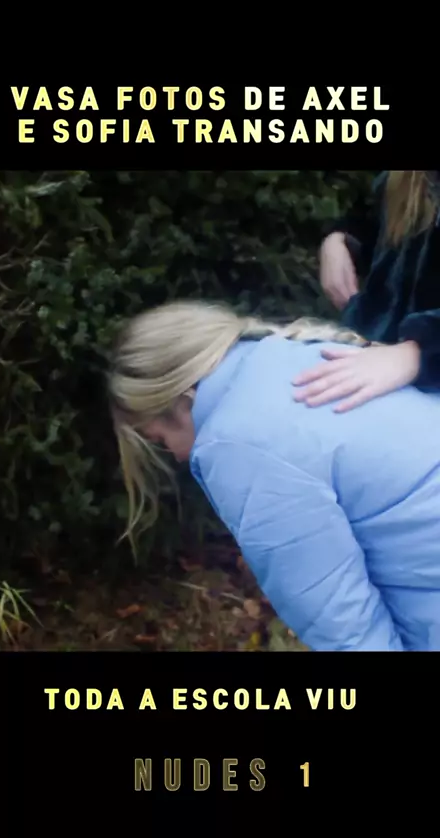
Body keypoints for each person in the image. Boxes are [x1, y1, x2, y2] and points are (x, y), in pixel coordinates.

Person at [107, 300, 440, 652]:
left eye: (161, 441)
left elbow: (339, 619)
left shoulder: (237, 444)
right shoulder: (296, 354)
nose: (177, 456)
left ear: (182, 400)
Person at [292, 171, 440, 412]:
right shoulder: (403, 179)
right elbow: (368, 225)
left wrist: (419, 354)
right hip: (363, 360)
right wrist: (339, 240)